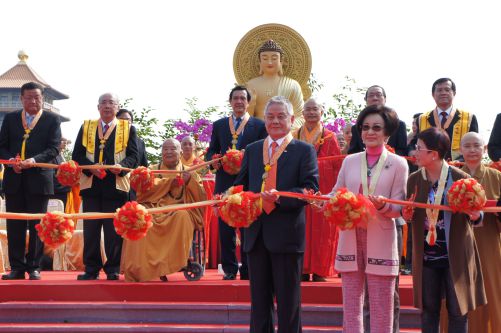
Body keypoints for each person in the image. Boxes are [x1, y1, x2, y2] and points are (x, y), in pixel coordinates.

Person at [234, 96, 319, 333]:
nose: (275, 121)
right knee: (259, 304)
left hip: (287, 236)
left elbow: (310, 189)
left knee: (288, 304)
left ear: (291, 119)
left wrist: (280, 197)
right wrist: (228, 198)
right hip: (256, 235)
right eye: (270, 116)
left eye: (281, 116)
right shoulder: (252, 150)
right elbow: (240, 186)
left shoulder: (304, 150)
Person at [330, 104, 408, 333]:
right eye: (365, 127)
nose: (370, 132)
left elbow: (398, 207)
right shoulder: (350, 161)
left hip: (381, 236)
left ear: (387, 133)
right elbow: (336, 193)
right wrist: (322, 200)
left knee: (382, 305)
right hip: (350, 236)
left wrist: (384, 206)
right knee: (351, 305)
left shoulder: (399, 163)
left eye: (376, 127)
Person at [403, 127, 486, 333]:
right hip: (427, 256)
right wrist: (407, 215)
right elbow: (410, 212)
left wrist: (476, 215)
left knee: (458, 311)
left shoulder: (461, 178)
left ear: (434, 153)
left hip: (455, 254)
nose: (415, 152)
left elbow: (478, 214)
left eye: (419, 148)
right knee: (429, 310)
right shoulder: (414, 179)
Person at [72, 93, 138, 280]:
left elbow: (134, 155)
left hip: (116, 185)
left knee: (113, 230)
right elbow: (77, 154)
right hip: (91, 185)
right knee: (91, 230)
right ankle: (91, 268)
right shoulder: (87, 127)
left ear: (118, 107)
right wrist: (90, 168)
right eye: (104, 103)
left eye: (112, 103)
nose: (107, 106)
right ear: (98, 106)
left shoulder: (127, 128)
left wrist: (122, 167)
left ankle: (113, 268)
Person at [121, 138, 206, 282]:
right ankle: (138, 267)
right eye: (165, 149)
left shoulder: (190, 172)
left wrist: (189, 182)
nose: (168, 152)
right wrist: (169, 183)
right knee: (138, 219)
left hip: (177, 211)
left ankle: (170, 264)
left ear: (180, 152)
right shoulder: (152, 170)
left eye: (172, 149)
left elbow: (201, 196)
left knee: (183, 216)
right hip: (153, 209)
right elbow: (142, 192)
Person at [0, 82, 61, 280]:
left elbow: (53, 149)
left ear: (42, 98)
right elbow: (2, 146)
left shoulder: (52, 119)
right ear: (21, 99)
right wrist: (11, 162)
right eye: (28, 98)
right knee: (15, 225)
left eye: (37, 98)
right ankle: (16, 267)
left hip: (38, 178)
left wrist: (33, 161)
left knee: (37, 225)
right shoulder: (10, 119)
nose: (33, 101)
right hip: (14, 178)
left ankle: (34, 266)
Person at [205, 85, 267, 281]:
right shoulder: (220, 125)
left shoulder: (258, 126)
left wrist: (243, 157)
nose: (239, 102)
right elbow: (211, 150)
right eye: (235, 98)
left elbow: (262, 153)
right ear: (230, 101)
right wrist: (214, 161)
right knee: (226, 227)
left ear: (248, 102)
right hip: (224, 180)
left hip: (248, 182)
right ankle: (230, 269)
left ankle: (249, 269)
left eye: (243, 98)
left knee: (249, 225)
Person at [293, 98, 341, 282]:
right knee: (301, 227)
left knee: (323, 230)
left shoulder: (330, 136)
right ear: (302, 113)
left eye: (315, 109)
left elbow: (336, 164)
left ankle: (321, 269)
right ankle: (303, 268)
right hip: (301, 188)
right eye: (308, 109)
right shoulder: (296, 135)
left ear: (322, 112)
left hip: (324, 188)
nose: (311, 113)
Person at [460, 132, 501, 333]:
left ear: (484, 149)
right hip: (459, 243)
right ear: (460, 150)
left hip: (489, 242)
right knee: (461, 292)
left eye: (477, 145)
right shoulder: (452, 176)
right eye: (467, 146)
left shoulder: (496, 177)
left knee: (492, 289)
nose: (472, 150)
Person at [411, 78, 479, 160]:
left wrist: (458, 161)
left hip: (460, 168)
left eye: (447, 90)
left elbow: (475, 145)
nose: (443, 93)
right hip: (429, 168)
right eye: (439, 90)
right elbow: (414, 143)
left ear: (454, 93)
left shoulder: (469, 118)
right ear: (433, 94)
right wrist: (411, 151)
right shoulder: (422, 119)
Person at [246, 39, 305, 129]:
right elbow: (244, 117)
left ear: (281, 61)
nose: (269, 62)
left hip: (285, 134)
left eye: (274, 58)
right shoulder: (251, 85)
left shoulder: (293, 85)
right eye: (265, 58)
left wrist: (287, 129)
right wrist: (250, 105)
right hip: (258, 135)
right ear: (260, 62)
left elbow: (300, 116)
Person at [348, 85, 408, 156]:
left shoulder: (399, 125)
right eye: (371, 95)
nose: (375, 98)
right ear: (366, 100)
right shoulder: (357, 127)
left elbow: (402, 151)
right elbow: (353, 152)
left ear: (385, 99)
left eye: (378, 95)